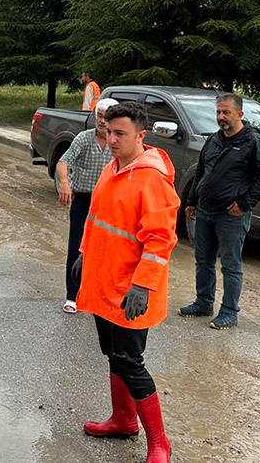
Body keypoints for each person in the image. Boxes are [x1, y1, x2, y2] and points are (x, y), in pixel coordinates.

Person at [75, 102, 177, 463]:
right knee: (113, 355)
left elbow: (161, 239)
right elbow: (96, 217)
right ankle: (123, 419)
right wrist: (84, 253)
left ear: (141, 136)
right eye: (109, 131)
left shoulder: (152, 178)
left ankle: (160, 443)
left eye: (121, 134)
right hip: (105, 282)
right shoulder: (112, 168)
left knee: (130, 361)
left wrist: (143, 285)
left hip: (132, 290)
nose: (112, 139)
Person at [178, 93, 260, 330]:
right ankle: (203, 303)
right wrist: (192, 200)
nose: (221, 117)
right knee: (203, 260)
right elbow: (201, 171)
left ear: (240, 114)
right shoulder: (213, 140)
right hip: (205, 211)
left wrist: (244, 204)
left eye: (226, 112)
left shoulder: (253, 142)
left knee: (231, 265)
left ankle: (229, 312)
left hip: (231, 215)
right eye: (218, 112)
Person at [56, 97, 116, 313]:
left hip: (109, 203)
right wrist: (65, 183)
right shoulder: (84, 139)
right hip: (83, 200)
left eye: (107, 117)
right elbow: (64, 162)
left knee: (106, 250)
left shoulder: (117, 142)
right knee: (77, 246)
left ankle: (98, 296)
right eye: (99, 115)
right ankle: (72, 296)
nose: (102, 121)